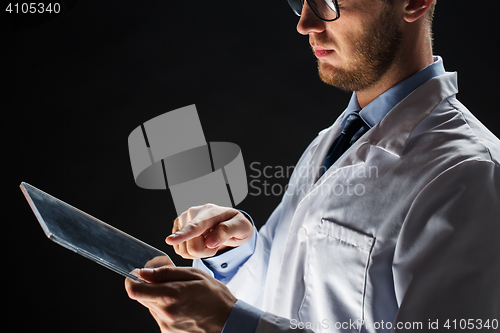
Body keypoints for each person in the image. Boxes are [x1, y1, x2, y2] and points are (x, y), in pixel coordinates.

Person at [125, 0, 500, 332]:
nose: (305, 23)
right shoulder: (334, 140)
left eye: (328, 1)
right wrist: (238, 252)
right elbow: (287, 300)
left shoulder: (468, 174)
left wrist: (230, 324)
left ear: (415, 3)